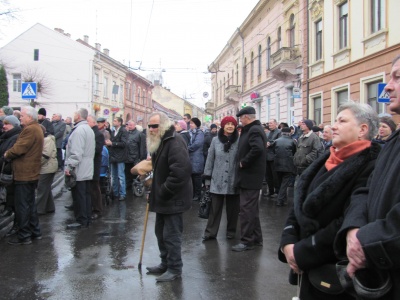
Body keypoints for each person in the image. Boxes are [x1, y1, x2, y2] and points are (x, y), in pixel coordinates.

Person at [279, 102, 380, 299]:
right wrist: (288, 241)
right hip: (306, 265)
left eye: (341, 121)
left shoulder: (372, 165)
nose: (333, 126)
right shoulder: (327, 158)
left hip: (334, 271)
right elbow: (300, 202)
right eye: (334, 120)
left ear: (363, 129)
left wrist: (302, 252)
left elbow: (350, 219)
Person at [335, 55, 400, 299]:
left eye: (398, 77)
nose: (389, 86)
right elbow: (366, 191)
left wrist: (366, 241)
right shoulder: (394, 141)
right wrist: (353, 229)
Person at [145, 112, 192, 282]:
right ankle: (165, 263)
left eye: (155, 126)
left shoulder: (175, 141)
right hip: (164, 198)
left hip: (173, 198)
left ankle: (174, 269)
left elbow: (180, 173)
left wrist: (163, 191)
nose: (151, 129)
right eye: (149, 126)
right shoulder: (161, 141)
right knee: (160, 233)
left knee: (171, 236)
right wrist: (153, 190)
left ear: (163, 125)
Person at [5, 107, 44, 245]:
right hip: (31, 173)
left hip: (24, 174)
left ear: (29, 117)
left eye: (22, 116)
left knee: (22, 205)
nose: (20, 118)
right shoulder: (37, 128)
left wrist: (6, 154)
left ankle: (24, 235)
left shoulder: (30, 129)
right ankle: (35, 232)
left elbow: (19, 148)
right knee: (30, 204)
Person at [232, 106, 266, 252]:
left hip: (250, 176)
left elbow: (257, 148)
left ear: (246, 117)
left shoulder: (254, 130)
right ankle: (257, 238)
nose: (240, 120)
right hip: (249, 176)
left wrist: (243, 162)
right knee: (251, 209)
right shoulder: (252, 129)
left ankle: (247, 241)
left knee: (246, 209)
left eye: (241, 118)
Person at [202, 116, 240, 241]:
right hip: (217, 179)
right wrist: (207, 179)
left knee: (233, 210)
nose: (230, 126)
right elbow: (210, 160)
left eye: (232, 124)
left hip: (233, 180)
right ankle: (210, 233)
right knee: (215, 209)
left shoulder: (239, 140)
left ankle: (231, 232)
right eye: (227, 124)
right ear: (223, 126)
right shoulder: (215, 141)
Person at [64, 108, 95, 229]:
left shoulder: (79, 130)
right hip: (87, 167)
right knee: (86, 195)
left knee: (79, 195)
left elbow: (76, 152)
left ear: (78, 116)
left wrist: (70, 166)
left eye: (75, 113)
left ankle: (81, 220)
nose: (73, 115)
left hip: (80, 168)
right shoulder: (88, 129)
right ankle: (86, 218)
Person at [0, 116, 22, 234]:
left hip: (12, 173)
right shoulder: (7, 136)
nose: (4, 126)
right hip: (8, 172)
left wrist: (3, 158)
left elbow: (8, 154)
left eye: (7, 124)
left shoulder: (15, 137)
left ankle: (18, 226)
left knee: (16, 201)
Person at [36, 125, 58, 215]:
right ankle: (50, 207)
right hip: (48, 166)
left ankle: (39, 209)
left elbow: (45, 155)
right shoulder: (46, 139)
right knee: (46, 187)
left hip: (47, 167)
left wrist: (36, 164)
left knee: (42, 188)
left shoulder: (47, 140)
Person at [105, 117, 128, 201]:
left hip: (120, 156)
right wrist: (108, 143)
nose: (113, 122)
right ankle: (115, 193)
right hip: (113, 156)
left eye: (115, 121)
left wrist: (113, 143)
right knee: (114, 176)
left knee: (121, 176)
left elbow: (124, 143)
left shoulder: (123, 131)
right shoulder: (113, 131)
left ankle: (122, 193)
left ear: (119, 122)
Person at [272, 127, 296, 207]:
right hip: (288, 165)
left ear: (282, 132)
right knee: (284, 184)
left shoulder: (276, 141)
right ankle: (279, 200)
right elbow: (294, 152)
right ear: (290, 133)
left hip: (277, 164)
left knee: (280, 183)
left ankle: (283, 199)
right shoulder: (292, 141)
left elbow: (273, 151)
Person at [87, 115, 105, 220]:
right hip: (90, 164)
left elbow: (98, 150)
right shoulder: (91, 132)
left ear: (93, 123)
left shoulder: (97, 134)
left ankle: (97, 210)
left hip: (94, 164)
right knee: (91, 187)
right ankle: (92, 207)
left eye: (88, 121)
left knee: (95, 187)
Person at [124, 120, 146, 189]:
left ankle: (137, 187)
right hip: (126, 157)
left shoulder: (140, 134)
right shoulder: (126, 133)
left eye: (131, 125)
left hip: (135, 158)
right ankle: (128, 187)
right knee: (127, 173)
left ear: (134, 125)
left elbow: (142, 147)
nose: (129, 126)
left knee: (135, 174)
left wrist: (141, 158)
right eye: (128, 125)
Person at [188, 117, 204, 201]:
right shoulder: (189, 132)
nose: (190, 125)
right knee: (191, 177)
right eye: (190, 123)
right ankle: (193, 193)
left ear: (196, 124)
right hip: (190, 158)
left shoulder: (199, 133)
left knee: (197, 177)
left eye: (192, 123)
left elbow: (197, 143)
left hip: (197, 158)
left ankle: (198, 195)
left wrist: (187, 148)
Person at [264, 119, 281, 197]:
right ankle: (270, 191)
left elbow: (279, 141)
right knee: (268, 175)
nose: (269, 124)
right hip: (267, 157)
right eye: (269, 123)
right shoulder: (268, 133)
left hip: (274, 157)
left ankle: (277, 191)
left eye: (271, 123)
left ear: (275, 124)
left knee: (275, 176)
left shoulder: (279, 132)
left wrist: (270, 143)